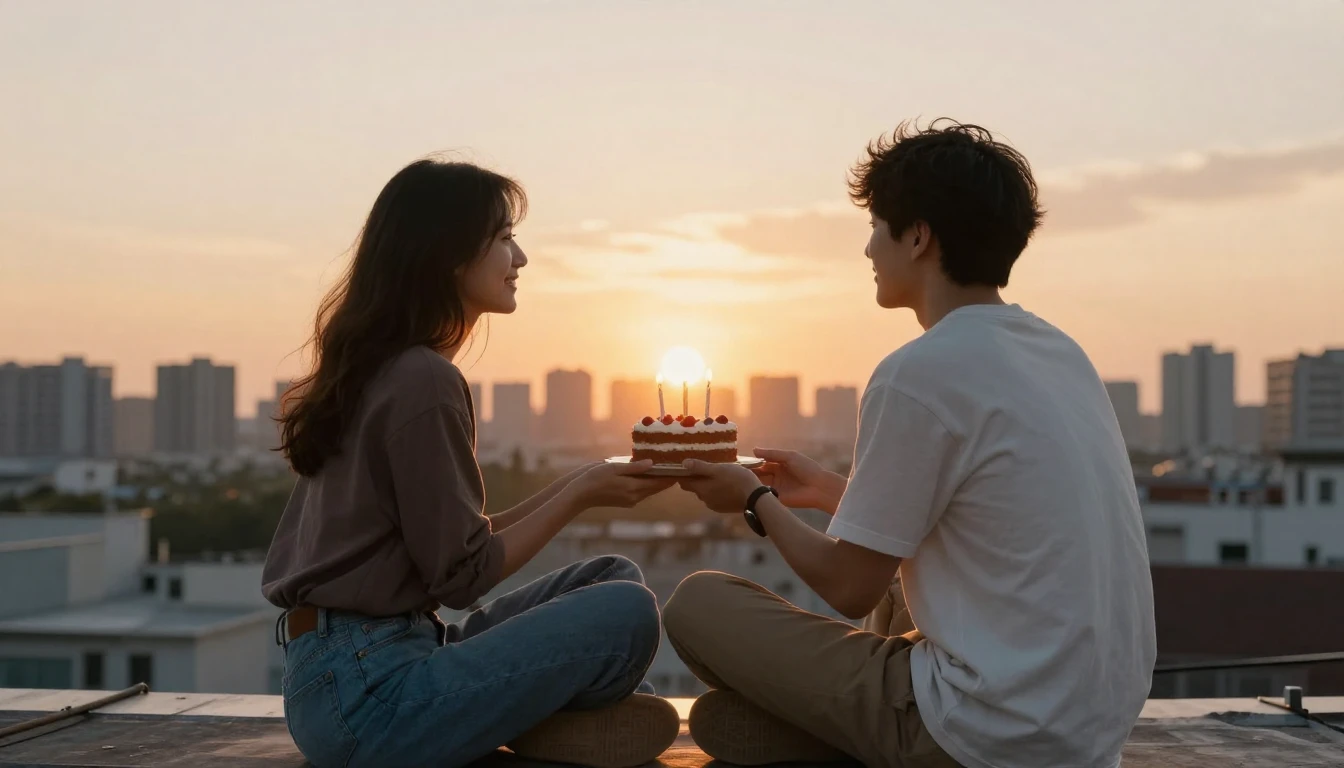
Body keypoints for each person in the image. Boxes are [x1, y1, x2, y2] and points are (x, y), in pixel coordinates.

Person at [667, 120, 1156, 768]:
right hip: (1085, 735)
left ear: (918, 235)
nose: (869, 248)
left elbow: (849, 589)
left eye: (876, 226)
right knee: (899, 587)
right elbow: (994, 519)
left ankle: (853, 733)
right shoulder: (1060, 354)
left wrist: (754, 499)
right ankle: (825, 728)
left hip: (985, 735)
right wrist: (837, 494)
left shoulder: (918, 372)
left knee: (695, 605)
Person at [261, 159, 679, 768]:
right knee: (629, 611)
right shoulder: (423, 379)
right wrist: (580, 495)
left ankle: (540, 721)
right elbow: (462, 577)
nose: (522, 259)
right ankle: (555, 725)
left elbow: (454, 544)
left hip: (358, 669)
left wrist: (583, 482)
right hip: (369, 697)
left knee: (612, 575)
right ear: (451, 255)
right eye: (506, 238)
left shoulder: (386, 369)